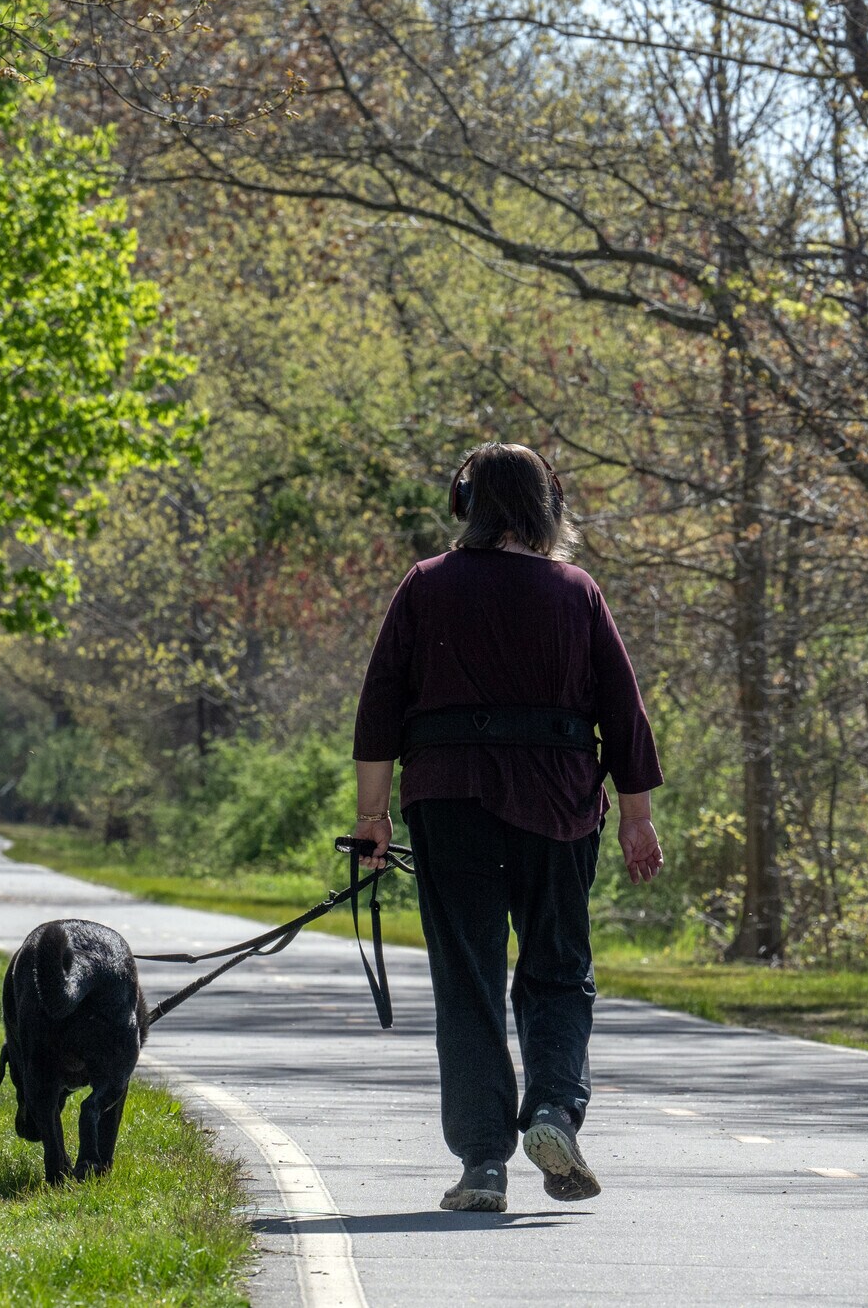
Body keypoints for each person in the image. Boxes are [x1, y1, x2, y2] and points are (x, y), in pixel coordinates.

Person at [351, 442, 665, 1214]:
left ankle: (483, 1163)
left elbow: (380, 704)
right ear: (548, 506)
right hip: (556, 803)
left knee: (468, 979)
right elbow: (623, 712)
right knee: (557, 965)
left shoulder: (425, 585)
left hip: (448, 798)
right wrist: (637, 819)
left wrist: (371, 816)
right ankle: (554, 1109)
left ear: (467, 503)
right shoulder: (576, 590)